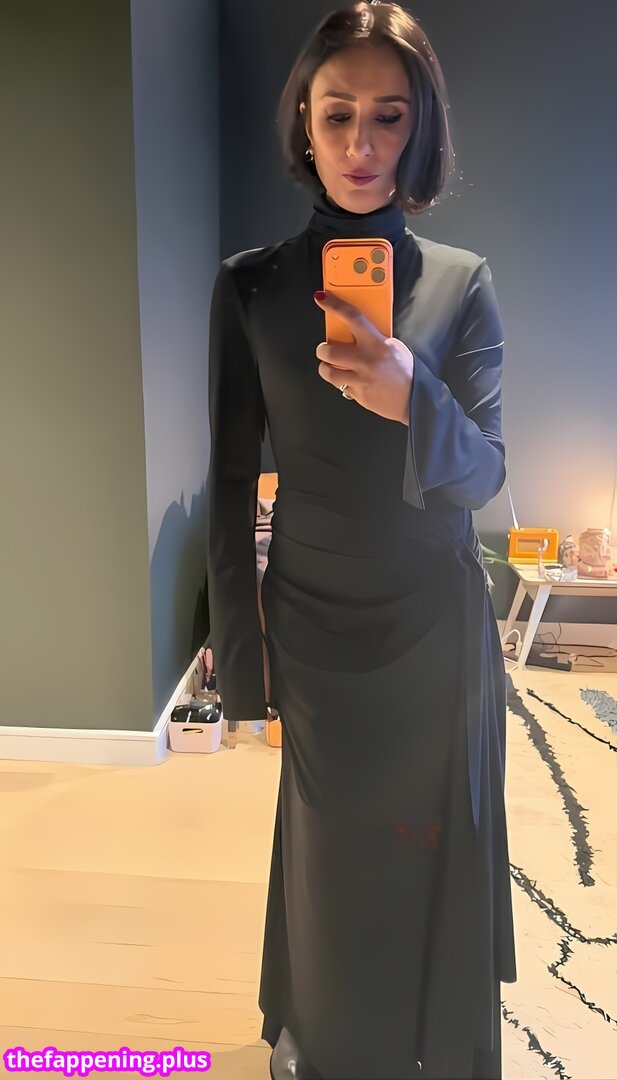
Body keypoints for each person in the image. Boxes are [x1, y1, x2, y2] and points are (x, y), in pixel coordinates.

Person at [205, 2, 517, 1077]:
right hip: (312, 619)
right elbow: (229, 479)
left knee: (422, 842)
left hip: (432, 625)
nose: (360, 145)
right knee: (332, 852)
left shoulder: (459, 283)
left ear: (419, 126)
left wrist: (410, 396)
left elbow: (484, 475)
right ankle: (330, 1041)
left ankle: (430, 1046)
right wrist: (239, 662)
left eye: (388, 116)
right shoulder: (251, 286)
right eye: (337, 114)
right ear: (303, 117)